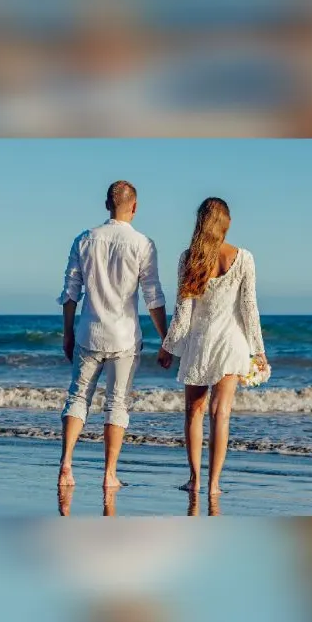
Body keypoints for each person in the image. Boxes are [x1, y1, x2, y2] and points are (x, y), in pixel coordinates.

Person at [58, 180, 169, 489]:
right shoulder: (143, 244)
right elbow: (153, 297)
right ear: (134, 207)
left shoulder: (84, 239)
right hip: (124, 336)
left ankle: (66, 465)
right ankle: (109, 474)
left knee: (78, 397)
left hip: (88, 333)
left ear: (107, 204)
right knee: (117, 403)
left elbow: (70, 293)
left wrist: (67, 333)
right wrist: (166, 340)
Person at [158, 197, 267, 496]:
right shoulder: (244, 258)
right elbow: (249, 308)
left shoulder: (189, 258)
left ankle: (194, 479)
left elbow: (183, 313)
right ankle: (214, 484)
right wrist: (258, 350)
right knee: (222, 413)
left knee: (194, 411)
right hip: (232, 343)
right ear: (227, 223)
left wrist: (168, 347)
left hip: (200, 343)